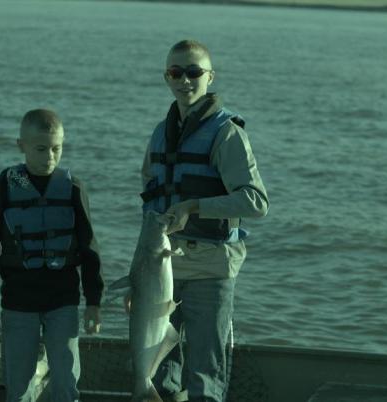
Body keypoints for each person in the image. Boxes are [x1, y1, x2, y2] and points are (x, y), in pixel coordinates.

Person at [138, 40, 269, 402]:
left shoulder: (227, 133)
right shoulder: (159, 133)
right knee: (159, 370)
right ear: (167, 77)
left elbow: (256, 202)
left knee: (204, 374)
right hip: (163, 273)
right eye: (175, 72)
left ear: (210, 77)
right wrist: (139, 275)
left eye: (194, 72)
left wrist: (193, 206)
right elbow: (150, 203)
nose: (185, 80)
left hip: (211, 271)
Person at [0, 109, 104, 402]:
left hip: (63, 302)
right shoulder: (1, 189)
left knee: (66, 383)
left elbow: (89, 248)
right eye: (41, 149)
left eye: (56, 149)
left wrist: (94, 301)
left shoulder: (73, 188)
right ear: (22, 146)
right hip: (19, 304)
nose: (50, 157)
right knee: (18, 388)